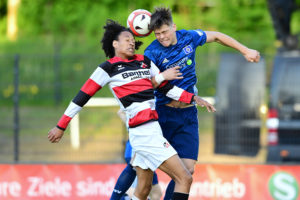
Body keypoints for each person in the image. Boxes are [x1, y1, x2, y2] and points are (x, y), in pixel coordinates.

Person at [47, 19, 216, 200]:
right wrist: (61, 126)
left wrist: (192, 98)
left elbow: (166, 88)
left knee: (143, 190)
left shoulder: (144, 61)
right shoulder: (107, 68)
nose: (131, 42)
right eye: (127, 39)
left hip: (151, 130)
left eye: (133, 40)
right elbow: (81, 97)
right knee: (185, 178)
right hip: (144, 134)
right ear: (115, 43)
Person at [144, 7, 261, 200]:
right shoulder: (152, 52)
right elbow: (145, 85)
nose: (162, 37)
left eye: (164, 32)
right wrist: (162, 76)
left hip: (188, 114)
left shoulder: (188, 37)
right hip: (163, 113)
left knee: (187, 171)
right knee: (145, 168)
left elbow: (216, 36)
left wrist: (245, 50)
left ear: (174, 27)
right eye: (157, 34)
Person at [111, 110, 162, 200]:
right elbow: (120, 112)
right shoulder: (137, 103)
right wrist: (130, 125)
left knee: (156, 192)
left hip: (148, 152)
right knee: (134, 191)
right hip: (135, 152)